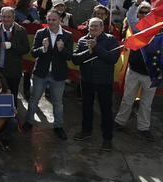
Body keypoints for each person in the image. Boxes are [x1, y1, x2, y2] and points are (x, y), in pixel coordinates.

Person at [73, 17, 120, 149]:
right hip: (87, 80)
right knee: (86, 107)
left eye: (96, 26)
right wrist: (89, 52)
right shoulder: (83, 40)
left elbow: (113, 58)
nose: (93, 29)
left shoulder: (110, 40)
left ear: (102, 27)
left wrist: (97, 47)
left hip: (104, 81)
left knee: (106, 110)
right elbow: (75, 59)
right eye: (91, 26)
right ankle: (86, 131)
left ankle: (107, 138)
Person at [25, 10, 72, 140]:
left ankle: (58, 126)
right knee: (34, 99)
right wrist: (43, 49)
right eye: (49, 19)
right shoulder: (41, 33)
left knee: (57, 102)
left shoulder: (67, 35)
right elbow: (34, 53)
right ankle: (29, 122)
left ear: (60, 20)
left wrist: (62, 49)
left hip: (58, 75)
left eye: (54, 20)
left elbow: (69, 57)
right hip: (41, 73)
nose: (51, 22)